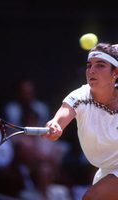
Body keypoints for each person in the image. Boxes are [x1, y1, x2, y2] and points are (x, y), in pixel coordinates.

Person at [42, 42, 118, 199]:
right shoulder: (80, 97)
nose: (91, 70)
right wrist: (54, 125)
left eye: (100, 65)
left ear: (115, 73)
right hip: (107, 170)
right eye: (89, 65)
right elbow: (61, 116)